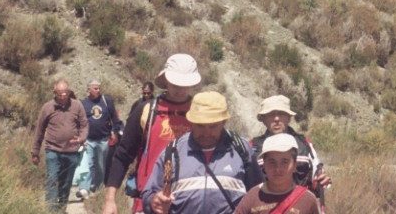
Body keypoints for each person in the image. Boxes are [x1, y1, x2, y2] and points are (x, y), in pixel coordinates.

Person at [103, 54, 203, 214]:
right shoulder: (147, 110)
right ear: (166, 80)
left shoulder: (200, 113)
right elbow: (123, 155)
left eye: (185, 84)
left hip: (189, 202)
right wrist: (110, 199)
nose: (180, 89)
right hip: (148, 201)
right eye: (175, 83)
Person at [142, 92, 258, 214]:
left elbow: (259, 194)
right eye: (200, 126)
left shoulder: (241, 150)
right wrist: (153, 202)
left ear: (224, 122)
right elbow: (149, 194)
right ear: (190, 122)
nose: (206, 133)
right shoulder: (173, 151)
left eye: (213, 126)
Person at [249, 95, 329, 200]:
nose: (276, 119)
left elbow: (318, 177)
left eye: (281, 114)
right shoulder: (252, 148)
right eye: (271, 114)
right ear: (263, 119)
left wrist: (322, 181)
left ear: (289, 117)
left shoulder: (304, 144)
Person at [32, 79, 88, 212]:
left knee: (66, 182)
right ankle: (51, 210)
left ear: (69, 92)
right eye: (60, 93)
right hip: (53, 150)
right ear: (54, 93)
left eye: (65, 93)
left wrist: (81, 138)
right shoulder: (47, 107)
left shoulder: (77, 105)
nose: (63, 96)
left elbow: (84, 125)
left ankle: (61, 208)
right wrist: (35, 152)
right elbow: (39, 130)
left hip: (72, 152)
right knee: (52, 179)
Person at [234, 134, 321, 214]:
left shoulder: (307, 200)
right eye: (272, 162)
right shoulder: (252, 197)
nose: (278, 169)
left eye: (284, 162)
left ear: (295, 165)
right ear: (264, 165)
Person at [74, 80, 121, 202]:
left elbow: (115, 118)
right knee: (88, 164)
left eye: (99, 88)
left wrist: (115, 131)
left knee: (100, 165)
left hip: (103, 139)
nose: (98, 90)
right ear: (89, 89)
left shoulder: (106, 101)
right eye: (95, 88)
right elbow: (79, 122)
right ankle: (84, 189)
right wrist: (80, 137)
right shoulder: (83, 104)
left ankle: (98, 189)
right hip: (88, 140)